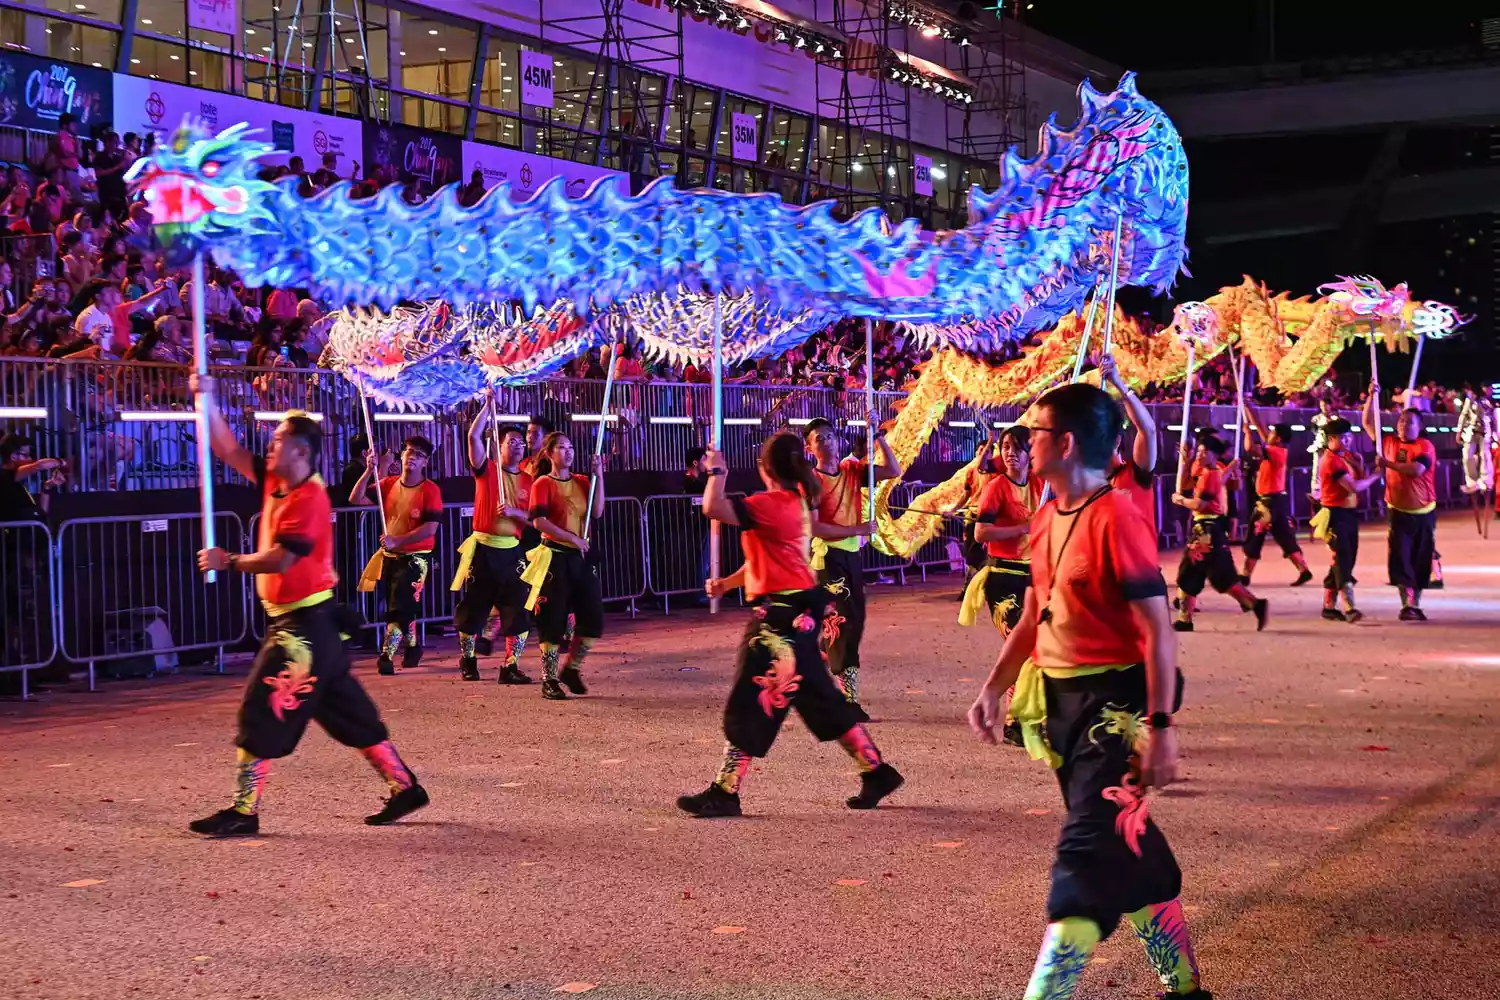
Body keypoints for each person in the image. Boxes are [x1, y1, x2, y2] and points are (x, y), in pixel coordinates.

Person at [967, 382, 1206, 1000]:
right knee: (1122, 834)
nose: (1027, 443)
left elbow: (1157, 631)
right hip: (1064, 707)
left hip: (1118, 709)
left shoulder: (1119, 516)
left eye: (1037, 433)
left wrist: (1161, 727)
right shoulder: (1046, 517)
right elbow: (1031, 614)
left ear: (1066, 443)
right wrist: (994, 685)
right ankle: (1184, 984)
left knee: (1085, 848)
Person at [187, 375, 429, 836]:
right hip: (311, 627)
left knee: (263, 706)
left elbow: (282, 557)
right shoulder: (277, 479)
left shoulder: (310, 497)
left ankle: (243, 811)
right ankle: (405, 788)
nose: (270, 445)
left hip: (301, 630)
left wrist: (230, 560)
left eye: (279, 440)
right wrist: (208, 400)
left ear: (301, 451)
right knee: (348, 714)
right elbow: (226, 449)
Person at [676, 433, 903, 817]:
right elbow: (770, 561)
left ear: (765, 467)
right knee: (823, 702)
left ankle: (725, 790)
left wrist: (717, 470)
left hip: (780, 622)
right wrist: (727, 584)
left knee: (755, 700)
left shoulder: (769, 504)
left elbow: (712, 507)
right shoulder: (796, 503)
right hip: (795, 612)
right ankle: (875, 770)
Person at [803, 416, 902, 718]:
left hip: (851, 558)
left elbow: (893, 470)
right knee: (845, 620)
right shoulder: (810, 481)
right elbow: (815, 528)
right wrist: (858, 530)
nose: (827, 441)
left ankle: (817, 648)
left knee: (855, 619)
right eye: (819, 438)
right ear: (810, 448)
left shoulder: (852, 470)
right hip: (829, 558)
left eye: (830, 435)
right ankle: (849, 700)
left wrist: (879, 437)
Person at [452, 399, 534, 684]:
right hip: (483, 550)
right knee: (473, 608)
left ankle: (510, 667)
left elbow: (536, 519)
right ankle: (469, 661)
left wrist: (516, 512)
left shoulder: (528, 481)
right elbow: (473, 436)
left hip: (512, 553)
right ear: (498, 447)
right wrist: (488, 405)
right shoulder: (487, 470)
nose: (518, 445)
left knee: (518, 610)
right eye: (511, 441)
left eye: (521, 442)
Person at [350, 435, 444, 674]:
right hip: (391, 556)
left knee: (398, 606)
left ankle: (386, 655)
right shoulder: (388, 484)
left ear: (426, 463)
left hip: (417, 558)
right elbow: (355, 498)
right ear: (401, 455)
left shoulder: (430, 490)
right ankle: (413, 645)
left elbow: (430, 528)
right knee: (401, 607)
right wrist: (370, 471)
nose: (412, 456)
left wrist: (398, 539)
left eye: (419, 455)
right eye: (409, 451)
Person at [524, 432, 606, 700]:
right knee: (552, 620)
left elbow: (596, 512)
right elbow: (539, 522)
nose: (568, 452)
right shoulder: (543, 484)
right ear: (549, 453)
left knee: (593, 618)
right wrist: (572, 537)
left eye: (571, 447)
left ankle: (571, 668)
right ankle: (549, 678)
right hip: (555, 557)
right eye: (561, 447)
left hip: (580, 560)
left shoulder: (583, 481)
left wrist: (599, 475)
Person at [1170, 434, 1268, 632]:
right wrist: (1186, 459)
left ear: (1215, 456)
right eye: (1199, 451)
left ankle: (1186, 619)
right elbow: (1186, 484)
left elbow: (1200, 504)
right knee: (1215, 576)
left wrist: (1179, 500)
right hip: (1208, 529)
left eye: (1205, 452)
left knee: (1193, 572)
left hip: (1205, 530)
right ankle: (1253, 604)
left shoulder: (1211, 475)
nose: (1201, 454)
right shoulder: (1208, 470)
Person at [1363, 396, 1438, 621]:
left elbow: (1415, 470)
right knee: (1401, 558)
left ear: (1420, 426)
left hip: (1423, 513)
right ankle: (1407, 604)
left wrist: (1388, 464)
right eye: (1401, 421)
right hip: (1397, 512)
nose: (1404, 425)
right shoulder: (1388, 443)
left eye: (1410, 422)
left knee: (1419, 560)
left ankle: (1416, 603)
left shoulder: (1425, 446)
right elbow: (1367, 422)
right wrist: (1370, 396)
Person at [966, 425, 1043, 637]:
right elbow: (981, 533)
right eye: (1006, 447)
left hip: (1036, 575)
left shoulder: (1042, 483)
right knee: (1018, 640)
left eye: (1017, 448)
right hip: (1004, 577)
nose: (1010, 453)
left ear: (1031, 452)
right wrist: (1024, 528)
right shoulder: (996, 488)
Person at [1239, 405, 1313, 587]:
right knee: (1284, 537)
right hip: (1277, 500)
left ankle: (1245, 574)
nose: (1268, 434)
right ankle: (1303, 570)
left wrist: (1247, 432)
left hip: (1267, 503)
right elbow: (1262, 428)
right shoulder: (1277, 448)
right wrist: (1248, 407)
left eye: (1272, 433)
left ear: (1278, 438)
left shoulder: (1275, 451)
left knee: (1255, 537)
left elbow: (1250, 449)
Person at [1314, 418, 1380, 623]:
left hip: (1348, 514)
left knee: (1344, 559)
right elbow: (1354, 487)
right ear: (1332, 439)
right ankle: (1349, 606)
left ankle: (1328, 606)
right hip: (1335, 515)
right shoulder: (1331, 461)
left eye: (1349, 435)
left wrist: (1359, 464)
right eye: (1343, 437)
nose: (1349, 439)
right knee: (1342, 560)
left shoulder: (1344, 456)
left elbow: (1358, 478)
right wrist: (1376, 475)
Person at [1100, 355, 1159, 537]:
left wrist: (1119, 385)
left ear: (1116, 441)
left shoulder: (1135, 474)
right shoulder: (1089, 485)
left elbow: (1147, 430)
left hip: (1138, 564)